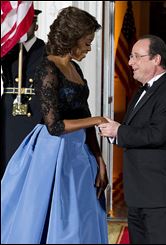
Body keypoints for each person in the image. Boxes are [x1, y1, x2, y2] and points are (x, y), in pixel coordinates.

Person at [1, 6, 108, 244]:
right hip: (52, 155)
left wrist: (99, 159)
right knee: (55, 217)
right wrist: (99, 119)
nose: (90, 48)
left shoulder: (76, 68)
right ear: (72, 38)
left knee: (82, 217)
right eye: (87, 42)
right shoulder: (47, 67)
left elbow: (84, 112)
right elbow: (54, 126)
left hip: (78, 154)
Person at [99, 35, 166, 244]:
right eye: (130, 57)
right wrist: (114, 133)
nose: (130, 63)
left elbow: (157, 135)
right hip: (138, 194)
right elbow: (135, 132)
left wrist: (118, 131)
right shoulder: (140, 93)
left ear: (156, 59)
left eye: (137, 57)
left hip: (160, 195)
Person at [0, 10, 45, 177]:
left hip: (34, 109)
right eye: (21, 23)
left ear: (36, 25)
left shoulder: (45, 50)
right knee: (8, 155)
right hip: (10, 108)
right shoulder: (6, 49)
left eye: (28, 22)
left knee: (31, 161)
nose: (24, 27)